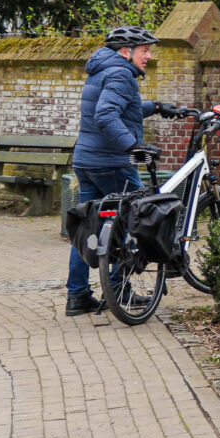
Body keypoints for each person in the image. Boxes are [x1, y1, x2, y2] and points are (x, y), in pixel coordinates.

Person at [66, 25, 164, 316]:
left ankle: (77, 295)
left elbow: (122, 108)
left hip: (87, 161)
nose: (149, 56)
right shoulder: (121, 74)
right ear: (125, 51)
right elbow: (106, 114)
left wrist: (157, 107)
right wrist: (133, 146)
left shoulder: (103, 69)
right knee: (134, 221)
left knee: (87, 228)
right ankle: (118, 288)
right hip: (111, 163)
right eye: (144, 50)